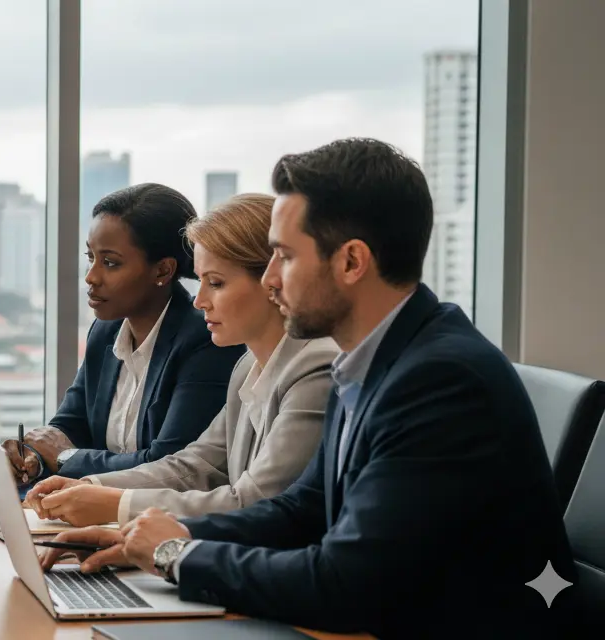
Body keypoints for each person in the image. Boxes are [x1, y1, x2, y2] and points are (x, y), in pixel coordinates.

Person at [43, 139, 572, 637]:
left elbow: (344, 581)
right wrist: (156, 538)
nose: (271, 279)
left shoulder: (437, 380)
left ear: (351, 262)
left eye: (286, 256)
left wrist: (174, 557)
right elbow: (298, 510)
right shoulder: (372, 359)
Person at [22, 194, 337, 526]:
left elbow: (254, 501)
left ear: (274, 281)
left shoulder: (315, 370)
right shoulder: (248, 367)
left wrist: (115, 504)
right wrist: (88, 486)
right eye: (200, 281)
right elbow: (193, 467)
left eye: (216, 283)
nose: (199, 301)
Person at [3, 183, 244, 482]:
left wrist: (66, 458)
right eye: (91, 258)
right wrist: (33, 458)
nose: (91, 277)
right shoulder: (106, 331)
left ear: (163, 271)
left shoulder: (205, 341)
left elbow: (165, 464)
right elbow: (71, 425)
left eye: (110, 263)